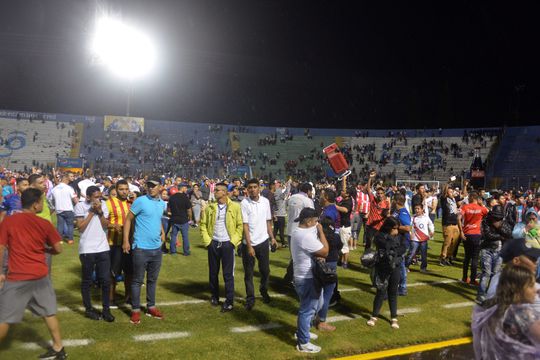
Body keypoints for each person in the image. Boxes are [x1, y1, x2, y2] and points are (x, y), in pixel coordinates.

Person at [0, 188, 66, 360]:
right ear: (36, 204)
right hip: (40, 277)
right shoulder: (45, 224)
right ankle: (59, 348)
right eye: (42, 202)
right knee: (48, 312)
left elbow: (0, 248)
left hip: (17, 277)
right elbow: (59, 248)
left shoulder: (9, 221)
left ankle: (59, 349)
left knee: (4, 318)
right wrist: (47, 250)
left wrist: (0, 272)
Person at [122, 178, 167, 324]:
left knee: (152, 280)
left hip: (156, 248)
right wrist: (126, 241)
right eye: (149, 185)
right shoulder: (140, 201)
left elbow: (156, 218)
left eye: (154, 186)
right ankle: (135, 310)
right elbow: (128, 220)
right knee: (137, 281)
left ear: (160, 187)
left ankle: (151, 307)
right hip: (140, 248)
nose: (151, 188)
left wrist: (162, 231)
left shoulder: (161, 203)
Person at [472, 265, 540, 358]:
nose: (536, 289)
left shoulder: (491, 306)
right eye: (531, 285)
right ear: (518, 289)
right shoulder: (522, 316)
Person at [200, 182, 243, 312]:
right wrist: (208, 242)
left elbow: (240, 225)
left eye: (218, 190)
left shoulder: (235, 207)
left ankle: (229, 301)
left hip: (227, 244)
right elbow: (203, 224)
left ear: (224, 192)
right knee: (213, 273)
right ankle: (214, 296)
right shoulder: (210, 207)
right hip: (213, 243)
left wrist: (232, 242)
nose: (215, 192)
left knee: (228, 274)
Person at [291, 207, 329, 353]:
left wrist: (316, 228)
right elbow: (325, 251)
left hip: (304, 276)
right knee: (307, 310)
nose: (317, 223)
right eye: (315, 221)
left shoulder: (299, 230)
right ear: (308, 221)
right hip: (306, 278)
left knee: (318, 303)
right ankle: (303, 343)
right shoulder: (305, 236)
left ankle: (302, 331)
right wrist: (320, 231)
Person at [74, 186, 114, 322]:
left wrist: (100, 212)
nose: (98, 199)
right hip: (87, 249)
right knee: (87, 280)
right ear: (89, 197)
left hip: (102, 247)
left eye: (100, 196)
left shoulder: (104, 206)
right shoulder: (80, 206)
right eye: (96, 196)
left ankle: (106, 310)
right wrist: (91, 212)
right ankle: (89, 309)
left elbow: (106, 225)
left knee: (105, 280)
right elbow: (80, 227)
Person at [241, 178, 277, 310]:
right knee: (248, 273)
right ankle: (250, 299)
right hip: (248, 243)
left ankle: (263, 290)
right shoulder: (244, 203)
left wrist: (272, 238)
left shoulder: (265, 202)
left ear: (259, 188)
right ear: (247, 189)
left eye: (255, 187)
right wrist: (249, 246)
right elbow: (245, 225)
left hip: (263, 241)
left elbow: (268, 222)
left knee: (265, 270)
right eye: (250, 187)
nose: (252, 189)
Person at [367, 216, 406, 330]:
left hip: (396, 266)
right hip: (383, 267)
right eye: (394, 228)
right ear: (389, 227)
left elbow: (403, 248)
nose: (397, 230)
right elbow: (387, 247)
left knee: (393, 292)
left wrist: (395, 251)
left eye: (397, 228)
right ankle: (374, 316)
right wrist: (394, 248)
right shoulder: (380, 236)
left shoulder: (399, 235)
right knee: (380, 292)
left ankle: (394, 317)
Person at [477, 205, 513, 303]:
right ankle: (481, 294)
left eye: (499, 217)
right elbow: (488, 235)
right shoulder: (486, 221)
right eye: (496, 216)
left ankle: (491, 293)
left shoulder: (503, 222)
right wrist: (502, 236)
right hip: (487, 249)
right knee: (486, 273)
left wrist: (500, 226)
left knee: (496, 274)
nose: (497, 218)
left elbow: (509, 233)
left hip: (500, 251)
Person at [105, 179, 132, 306]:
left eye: (126, 189)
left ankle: (128, 296)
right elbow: (101, 220)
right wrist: (112, 225)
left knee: (129, 272)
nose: (124, 192)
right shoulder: (109, 203)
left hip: (130, 243)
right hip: (114, 243)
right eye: (121, 189)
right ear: (116, 189)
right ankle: (111, 297)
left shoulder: (132, 203)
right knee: (113, 272)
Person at [314, 216, 342, 332]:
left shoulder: (317, 236)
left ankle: (314, 317)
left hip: (318, 264)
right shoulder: (335, 237)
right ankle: (322, 321)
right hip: (330, 265)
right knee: (327, 294)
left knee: (317, 293)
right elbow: (340, 246)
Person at [284, 183, 315, 283]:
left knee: (294, 255)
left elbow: (286, 207)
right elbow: (312, 216)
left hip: (290, 230)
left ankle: (289, 277)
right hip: (302, 231)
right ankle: (292, 278)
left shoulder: (292, 197)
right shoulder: (307, 201)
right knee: (301, 257)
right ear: (309, 191)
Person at [460, 191, 488, 284]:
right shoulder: (481, 208)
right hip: (476, 234)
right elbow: (488, 212)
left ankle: (464, 278)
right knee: (475, 258)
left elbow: (458, 218)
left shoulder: (465, 207)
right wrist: (482, 204)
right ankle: (472, 280)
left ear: (472, 198)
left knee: (467, 257)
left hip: (466, 233)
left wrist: (461, 231)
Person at [363, 170, 390, 250]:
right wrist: (370, 178)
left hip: (380, 227)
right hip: (370, 225)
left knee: (379, 244)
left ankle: (377, 259)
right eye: (378, 193)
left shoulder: (386, 203)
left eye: (382, 193)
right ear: (376, 194)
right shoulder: (373, 199)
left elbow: (388, 214)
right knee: (368, 243)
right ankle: (366, 258)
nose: (380, 195)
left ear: (384, 194)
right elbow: (368, 189)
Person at [439, 182, 464, 266]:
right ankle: (443, 258)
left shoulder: (454, 199)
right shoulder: (444, 199)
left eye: (452, 192)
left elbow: (463, 196)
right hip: (447, 224)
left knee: (454, 243)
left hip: (455, 224)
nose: (451, 193)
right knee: (447, 242)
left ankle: (448, 257)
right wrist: (448, 183)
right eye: (449, 192)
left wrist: (465, 186)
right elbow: (443, 192)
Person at [50, 172, 78, 244]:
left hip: (59, 209)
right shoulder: (69, 188)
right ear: (65, 179)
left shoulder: (54, 189)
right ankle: (70, 239)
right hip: (68, 209)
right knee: (70, 225)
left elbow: (52, 200)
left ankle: (60, 240)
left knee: (60, 225)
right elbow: (75, 199)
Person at [392, 193, 412, 296]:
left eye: (393, 200)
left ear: (397, 201)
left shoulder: (403, 212)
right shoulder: (397, 211)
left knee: (401, 264)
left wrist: (395, 227)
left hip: (403, 242)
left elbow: (408, 228)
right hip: (397, 241)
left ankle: (403, 287)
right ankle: (397, 285)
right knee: (398, 263)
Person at [168, 183, 193, 255]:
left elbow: (169, 209)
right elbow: (189, 210)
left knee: (173, 236)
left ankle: (173, 251)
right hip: (183, 219)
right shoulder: (185, 197)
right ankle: (186, 252)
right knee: (185, 237)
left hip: (174, 219)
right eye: (185, 188)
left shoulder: (172, 197)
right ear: (182, 188)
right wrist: (190, 218)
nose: (186, 189)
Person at [408, 204, 434, 273]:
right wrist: (410, 234)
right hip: (414, 239)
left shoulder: (426, 217)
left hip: (424, 239)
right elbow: (409, 227)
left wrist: (432, 231)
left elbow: (431, 224)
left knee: (424, 254)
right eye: (415, 208)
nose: (416, 210)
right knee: (411, 253)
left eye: (418, 208)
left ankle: (423, 268)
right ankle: (406, 266)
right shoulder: (412, 217)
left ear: (422, 209)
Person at [273, 179, 290, 247]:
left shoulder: (275, 194)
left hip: (276, 215)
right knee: (281, 231)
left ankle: (272, 241)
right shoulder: (280, 195)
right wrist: (288, 184)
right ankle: (283, 243)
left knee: (275, 230)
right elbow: (287, 192)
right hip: (281, 215)